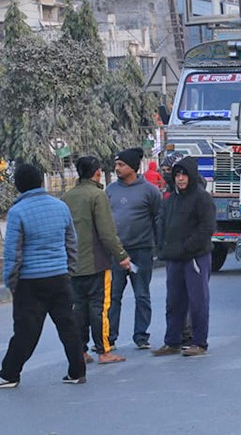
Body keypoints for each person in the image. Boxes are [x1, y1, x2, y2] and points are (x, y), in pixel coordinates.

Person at [0, 164, 87, 388]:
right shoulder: (61, 207)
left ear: (18, 185)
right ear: (40, 181)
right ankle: (77, 372)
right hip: (59, 277)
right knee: (68, 326)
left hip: (30, 281)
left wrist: (12, 281)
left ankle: (10, 374)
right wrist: (69, 269)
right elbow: (72, 242)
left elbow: (13, 252)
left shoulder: (18, 212)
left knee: (25, 330)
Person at [62, 156, 131, 365]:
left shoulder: (67, 197)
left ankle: (81, 350)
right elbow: (107, 233)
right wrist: (122, 256)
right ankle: (104, 351)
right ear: (97, 172)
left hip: (72, 264)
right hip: (96, 262)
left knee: (78, 308)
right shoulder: (97, 195)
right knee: (99, 307)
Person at [152, 156, 216, 357]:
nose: (180, 179)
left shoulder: (202, 198)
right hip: (174, 258)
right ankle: (172, 341)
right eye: (177, 174)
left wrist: (187, 247)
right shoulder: (172, 198)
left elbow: (206, 228)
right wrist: (162, 246)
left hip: (195, 257)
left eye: (184, 175)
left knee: (198, 301)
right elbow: (163, 223)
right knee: (174, 301)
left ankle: (199, 342)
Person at [106, 147, 163, 350]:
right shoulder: (110, 190)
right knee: (113, 296)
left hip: (141, 250)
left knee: (141, 294)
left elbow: (158, 219)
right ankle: (109, 337)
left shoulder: (150, 191)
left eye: (121, 165)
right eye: (116, 164)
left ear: (132, 167)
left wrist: (158, 246)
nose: (117, 168)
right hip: (117, 252)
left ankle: (141, 336)